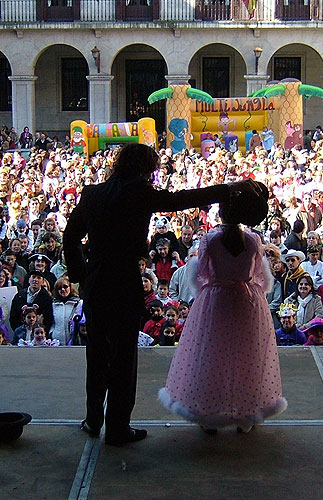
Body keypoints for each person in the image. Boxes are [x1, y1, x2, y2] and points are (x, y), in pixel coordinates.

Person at [64, 143, 259, 446]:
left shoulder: (93, 194)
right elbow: (183, 199)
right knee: (124, 356)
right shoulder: (139, 192)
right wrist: (228, 188)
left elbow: (70, 235)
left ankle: (92, 419)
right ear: (145, 168)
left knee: (97, 352)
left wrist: (80, 274)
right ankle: (117, 428)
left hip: (96, 280)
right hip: (123, 281)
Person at [158, 182, 285, 434]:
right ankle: (246, 414)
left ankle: (208, 414)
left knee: (211, 356)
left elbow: (203, 274)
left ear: (221, 213)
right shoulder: (253, 240)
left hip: (216, 302)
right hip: (247, 302)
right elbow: (259, 275)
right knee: (246, 357)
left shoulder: (210, 240)